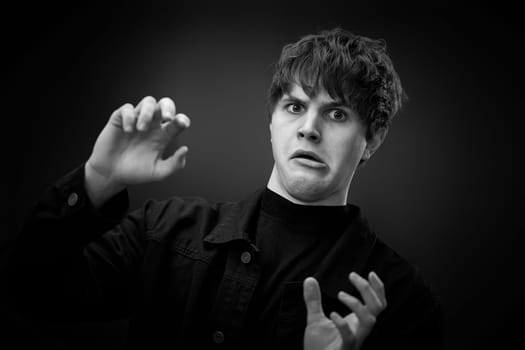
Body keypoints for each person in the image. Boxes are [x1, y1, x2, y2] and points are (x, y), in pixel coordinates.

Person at [8, 28, 443, 349]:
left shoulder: (394, 296)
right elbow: (30, 289)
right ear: (272, 121)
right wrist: (97, 182)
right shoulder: (166, 231)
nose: (309, 129)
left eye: (337, 114)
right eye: (295, 106)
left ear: (373, 138)